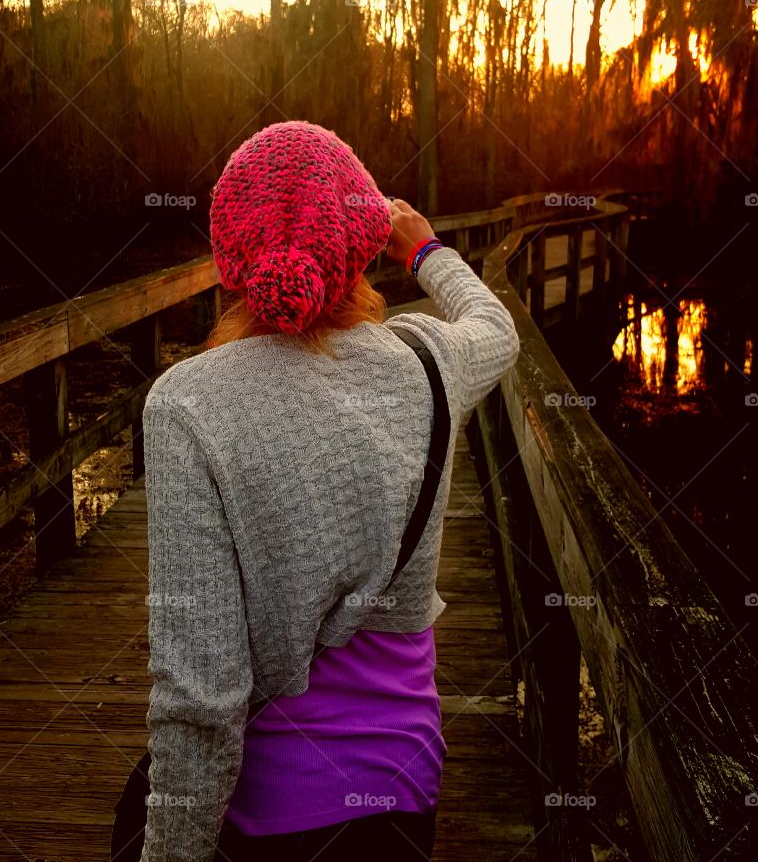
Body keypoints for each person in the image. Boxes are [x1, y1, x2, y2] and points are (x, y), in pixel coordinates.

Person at [112, 120, 520, 862]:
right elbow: (496, 325)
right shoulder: (430, 364)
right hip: (404, 787)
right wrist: (423, 248)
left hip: (273, 809)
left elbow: (201, 698)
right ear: (363, 239)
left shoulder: (187, 405)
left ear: (227, 257)